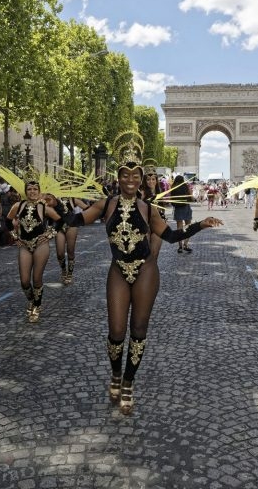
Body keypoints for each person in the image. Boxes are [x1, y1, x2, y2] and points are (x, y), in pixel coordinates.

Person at [65, 134, 223, 415]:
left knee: (138, 330)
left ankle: (127, 383)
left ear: (140, 179)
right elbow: (78, 219)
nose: (130, 180)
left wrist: (200, 224)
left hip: (146, 270)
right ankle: (115, 373)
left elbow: (172, 236)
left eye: (135, 176)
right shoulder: (106, 205)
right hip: (118, 270)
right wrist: (56, 208)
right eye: (125, 175)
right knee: (115, 331)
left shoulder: (149, 209)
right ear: (119, 176)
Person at [7, 179, 61, 322]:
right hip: (24, 245)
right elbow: (7, 220)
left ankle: (37, 306)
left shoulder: (44, 207)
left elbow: (60, 220)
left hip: (40, 245)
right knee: (25, 281)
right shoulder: (18, 206)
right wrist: (15, 237)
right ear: (25, 191)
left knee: (37, 278)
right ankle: (31, 299)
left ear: (39, 191)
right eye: (29, 189)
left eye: (35, 189)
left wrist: (49, 234)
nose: (32, 192)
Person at [52, 195, 89, 284]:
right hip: (59, 227)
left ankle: (70, 274)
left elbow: (88, 208)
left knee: (70, 250)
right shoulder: (53, 199)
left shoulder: (73, 200)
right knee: (60, 253)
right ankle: (64, 270)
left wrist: (80, 218)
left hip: (71, 226)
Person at [169, 175, 194, 253]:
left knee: (179, 228)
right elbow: (191, 198)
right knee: (188, 227)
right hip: (186, 207)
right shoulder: (186, 186)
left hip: (178, 209)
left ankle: (180, 246)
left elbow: (171, 199)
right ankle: (185, 245)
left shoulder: (173, 187)